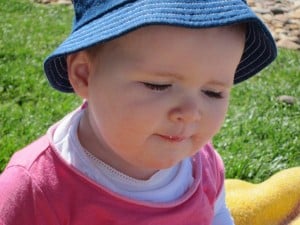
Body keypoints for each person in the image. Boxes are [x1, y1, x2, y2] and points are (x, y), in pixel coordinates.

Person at [0, 0, 277, 224]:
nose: (191, 113)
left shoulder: (201, 163)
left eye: (213, 92)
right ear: (85, 76)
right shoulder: (35, 190)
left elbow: (216, 215)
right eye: (158, 85)